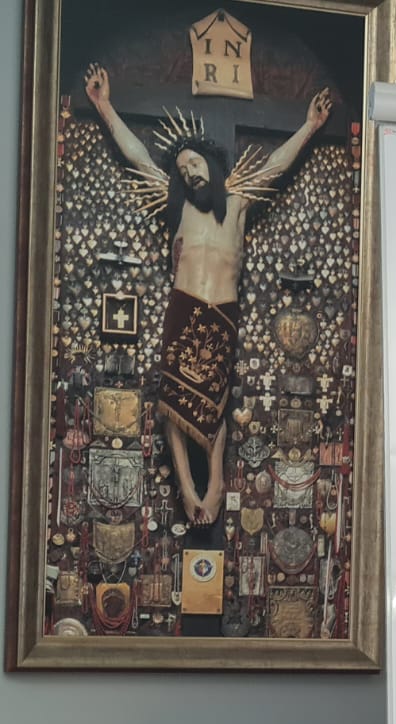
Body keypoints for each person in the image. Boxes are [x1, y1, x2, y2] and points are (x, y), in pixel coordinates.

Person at [83, 62, 332, 525]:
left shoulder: (237, 204)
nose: (190, 172)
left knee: (215, 404)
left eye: (195, 163)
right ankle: (186, 485)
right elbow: (138, 156)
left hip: (221, 313)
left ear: (212, 165)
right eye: (183, 169)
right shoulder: (176, 208)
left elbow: (276, 166)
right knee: (171, 404)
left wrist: (311, 126)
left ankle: (215, 483)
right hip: (184, 308)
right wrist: (104, 106)